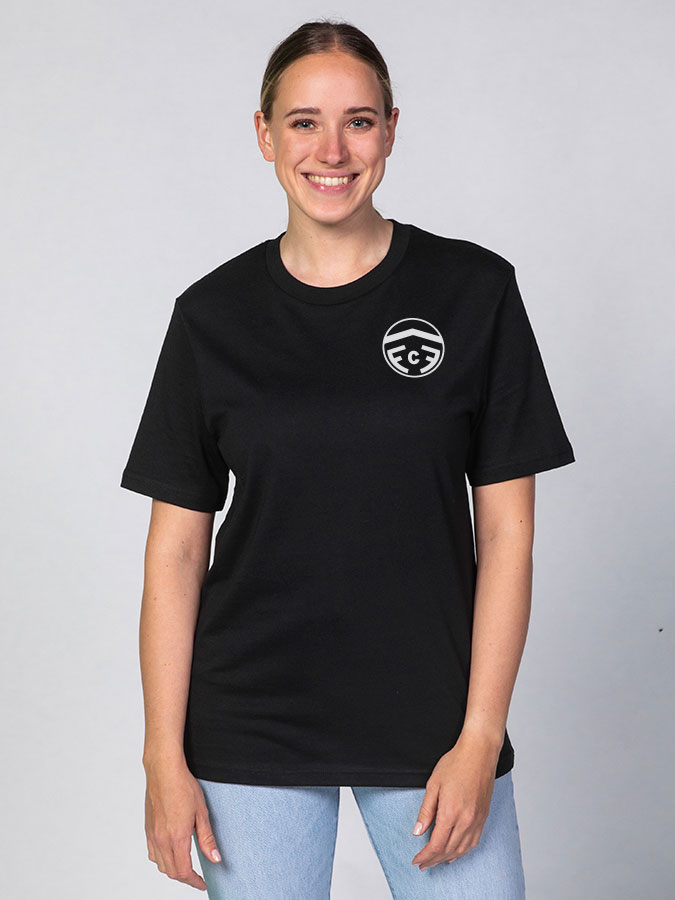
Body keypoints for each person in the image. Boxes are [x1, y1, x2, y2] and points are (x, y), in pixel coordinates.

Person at [120, 18, 575, 900]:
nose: (331, 150)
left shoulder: (474, 292)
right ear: (264, 134)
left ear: (390, 131)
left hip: (433, 721)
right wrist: (161, 758)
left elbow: (507, 536)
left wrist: (481, 734)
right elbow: (175, 551)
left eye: (357, 121)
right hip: (250, 721)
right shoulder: (210, 317)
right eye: (303, 122)